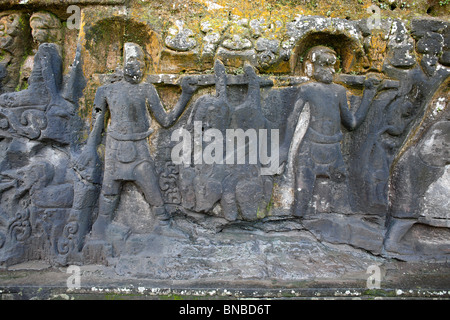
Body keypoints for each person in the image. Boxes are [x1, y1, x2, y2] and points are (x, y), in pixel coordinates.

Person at [76, 43, 197, 238]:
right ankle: (101, 227)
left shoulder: (147, 90)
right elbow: (97, 124)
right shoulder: (106, 91)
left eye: (140, 63)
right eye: (131, 62)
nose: (136, 67)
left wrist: (186, 95)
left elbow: (165, 120)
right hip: (115, 146)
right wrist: (90, 149)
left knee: (152, 189)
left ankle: (163, 224)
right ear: (122, 64)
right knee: (109, 190)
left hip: (140, 148)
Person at [281, 46, 380, 217]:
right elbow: (292, 120)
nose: (331, 70)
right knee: (301, 203)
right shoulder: (307, 90)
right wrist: (284, 148)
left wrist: (369, 95)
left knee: (338, 203)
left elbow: (352, 123)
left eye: (333, 66)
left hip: (333, 151)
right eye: (325, 65)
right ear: (310, 67)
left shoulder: (339, 91)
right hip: (309, 151)